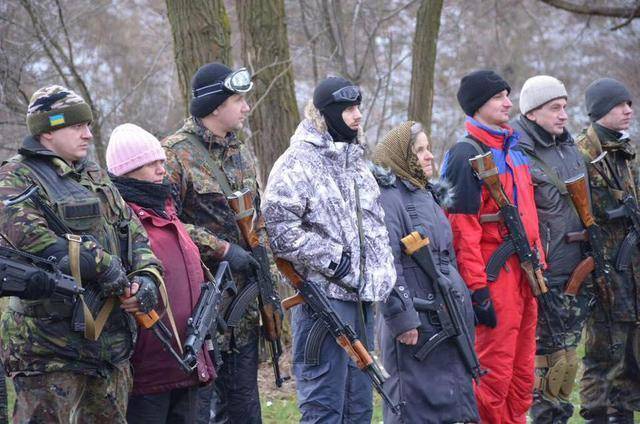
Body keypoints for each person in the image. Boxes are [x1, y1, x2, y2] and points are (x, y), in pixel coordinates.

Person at [0, 85, 162, 423]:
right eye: (76, 126)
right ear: (47, 130)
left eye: (88, 125)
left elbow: (134, 234)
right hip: (49, 351)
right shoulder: (14, 177)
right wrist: (105, 265)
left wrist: (145, 279)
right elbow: (37, 243)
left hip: (108, 350)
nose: (88, 134)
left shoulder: (94, 175)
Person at [261, 76, 396, 423]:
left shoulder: (357, 164)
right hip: (322, 303)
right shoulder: (296, 163)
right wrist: (334, 260)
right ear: (326, 114)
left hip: (362, 300)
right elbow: (277, 229)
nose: (357, 116)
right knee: (324, 406)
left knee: (359, 407)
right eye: (348, 109)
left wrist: (382, 276)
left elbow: (375, 229)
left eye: (358, 108)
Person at [162, 62, 273, 424]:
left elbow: (256, 216)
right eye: (238, 99)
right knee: (201, 406)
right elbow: (164, 224)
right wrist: (223, 249)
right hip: (200, 306)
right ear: (214, 105)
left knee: (244, 406)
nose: (246, 107)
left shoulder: (240, 152)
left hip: (243, 308)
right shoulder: (174, 154)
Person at [440, 70, 543, 423]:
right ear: (477, 105)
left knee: (522, 374)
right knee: (492, 375)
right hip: (493, 279)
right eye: (499, 97)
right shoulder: (464, 154)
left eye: (507, 95)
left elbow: (529, 215)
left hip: (525, 276)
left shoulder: (515, 150)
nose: (508, 103)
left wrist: (539, 264)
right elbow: (461, 229)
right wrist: (477, 289)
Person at [106, 123, 216, 423]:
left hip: (188, 364)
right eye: (151, 163)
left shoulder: (167, 211)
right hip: (148, 373)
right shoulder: (119, 222)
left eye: (162, 162)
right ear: (128, 171)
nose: (161, 170)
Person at [371, 120, 479, 423]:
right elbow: (386, 263)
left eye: (429, 148)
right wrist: (403, 319)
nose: (429, 156)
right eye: (420, 151)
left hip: (446, 313)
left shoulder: (425, 194)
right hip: (417, 323)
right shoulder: (389, 198)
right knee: (414, 406)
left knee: (452, 400)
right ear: (401, 157)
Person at [510, 75, 591, 423]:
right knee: (546, 369)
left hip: (577, 271)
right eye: (554, 108)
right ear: (531, 113)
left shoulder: (570, 148)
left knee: (567, 363)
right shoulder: (518, 152)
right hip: (542, 278)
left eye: (565, 107)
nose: (563, 115)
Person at [576, 78, 639, 424]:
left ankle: (622, 414)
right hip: (601, 271)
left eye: (629, 104)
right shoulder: (583, 152)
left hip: (631, 274)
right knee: (601, 354)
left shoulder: (626, 153)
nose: (628, 110)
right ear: (601, 110)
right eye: (620, 105)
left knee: (629, 355)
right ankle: (597, 416)